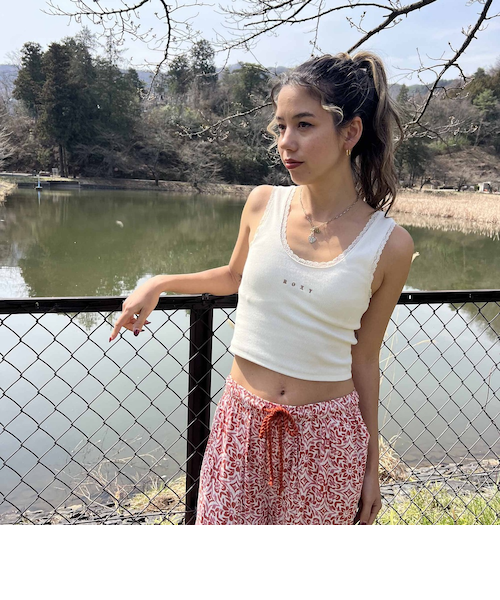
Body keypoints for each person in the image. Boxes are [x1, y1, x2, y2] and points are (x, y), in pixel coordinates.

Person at [110, 51, 415, 525]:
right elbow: (233, 277)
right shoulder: (263, 204)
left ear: (350, 132)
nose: (286, 142)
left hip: (329, 439)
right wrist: (160, 282)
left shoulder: (390, 244)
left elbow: (366, 359)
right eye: (280, 126)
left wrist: (371, 467)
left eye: (305, 125)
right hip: (242, 423)